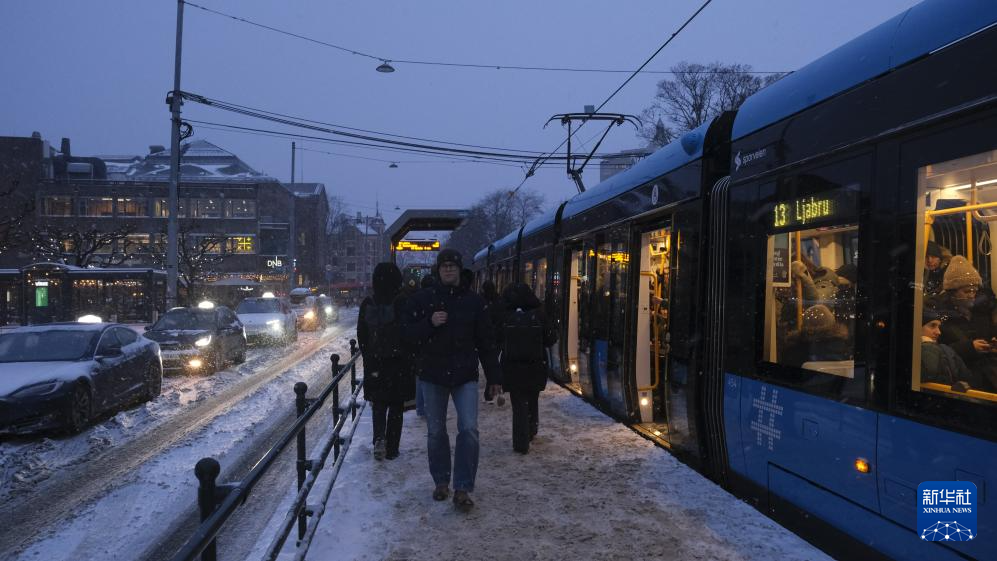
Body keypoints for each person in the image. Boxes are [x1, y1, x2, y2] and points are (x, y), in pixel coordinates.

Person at [402, 249, 501, 512]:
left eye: (452, 266)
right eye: (444, 266)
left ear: (459, 270)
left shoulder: (475, 302)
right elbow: (408, 336)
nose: (448, 270)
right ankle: (441, 482)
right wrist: (429, 323)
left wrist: (494, 376)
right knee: (436, 433)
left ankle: (463, 487)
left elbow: (487, 342)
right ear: (438, 270)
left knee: (469, 429)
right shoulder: (422, 300)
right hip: (433, 376)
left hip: (465, 375)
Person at [358, 263, 416, 461]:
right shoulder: (403, 301)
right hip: (399, 362)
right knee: (397, 406)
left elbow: (362, 336)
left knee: (379, 404)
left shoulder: (368, 303)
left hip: (376, 363)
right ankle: (393, 449)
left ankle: (378, 439)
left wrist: (369, 356)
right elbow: (410, 333)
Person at [500, 283, 557, 454]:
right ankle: (532, 429)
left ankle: (520, 442)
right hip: (535, 366)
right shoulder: (539, 313)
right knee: (532, 399)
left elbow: (497, 338)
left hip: (512, 367)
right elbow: (550, 339)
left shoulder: (506, 314)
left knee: (518, 404)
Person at [929, 256, 997, 391]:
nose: (972, 295)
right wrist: (970, 348)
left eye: (974, 291)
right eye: (967, 291)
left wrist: (993, 343)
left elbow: (990, 333)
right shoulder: (939, 317)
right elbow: (937, 353)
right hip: (963, 379)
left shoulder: (981, 312)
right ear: (952, 292)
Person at [920, 308, 979, 391]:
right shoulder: (912, 351)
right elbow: (929, 373)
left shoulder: (946, 350)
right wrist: (928, 345)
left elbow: (967, 377)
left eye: (938, 327)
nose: (938, 332)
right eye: (932, 326)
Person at [480, 280, 505, 404]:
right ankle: (493, 388)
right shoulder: (499, 301)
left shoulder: (481, 301)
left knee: (490, 364)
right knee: (493, 363)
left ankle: (490, 392)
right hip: (497, 338)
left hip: (487, 338)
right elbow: (501, 319)